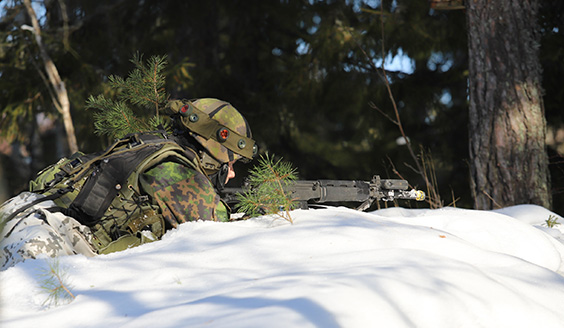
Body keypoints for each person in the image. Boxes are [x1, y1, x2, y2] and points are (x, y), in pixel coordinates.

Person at [0, 98, 256, 270]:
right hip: (38, 238)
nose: (232, 174)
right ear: (212, 155)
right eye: (230, 165)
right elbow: (217, 230)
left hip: (24, 218)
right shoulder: (175, 169)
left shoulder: (156, 147)